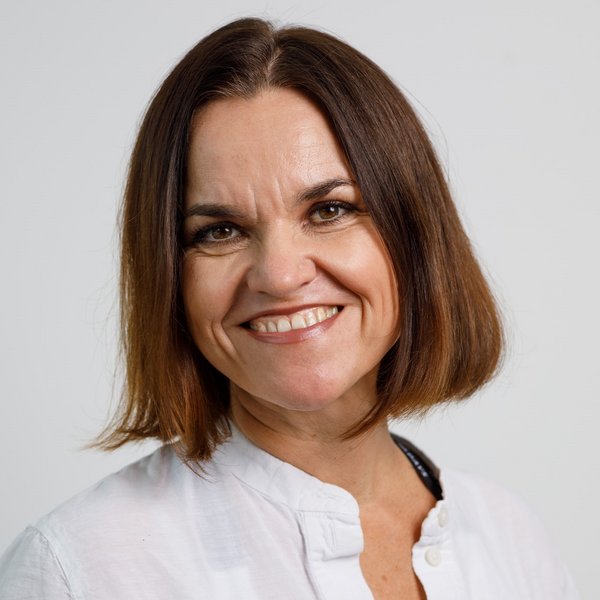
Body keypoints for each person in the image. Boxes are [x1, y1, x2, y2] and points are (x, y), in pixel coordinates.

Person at [0, 17, 579, 600]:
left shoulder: (511, 540)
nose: (279, 276)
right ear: (171, 276)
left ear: (415, 234)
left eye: (329, 210)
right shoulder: (80, 568)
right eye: (220, 230)